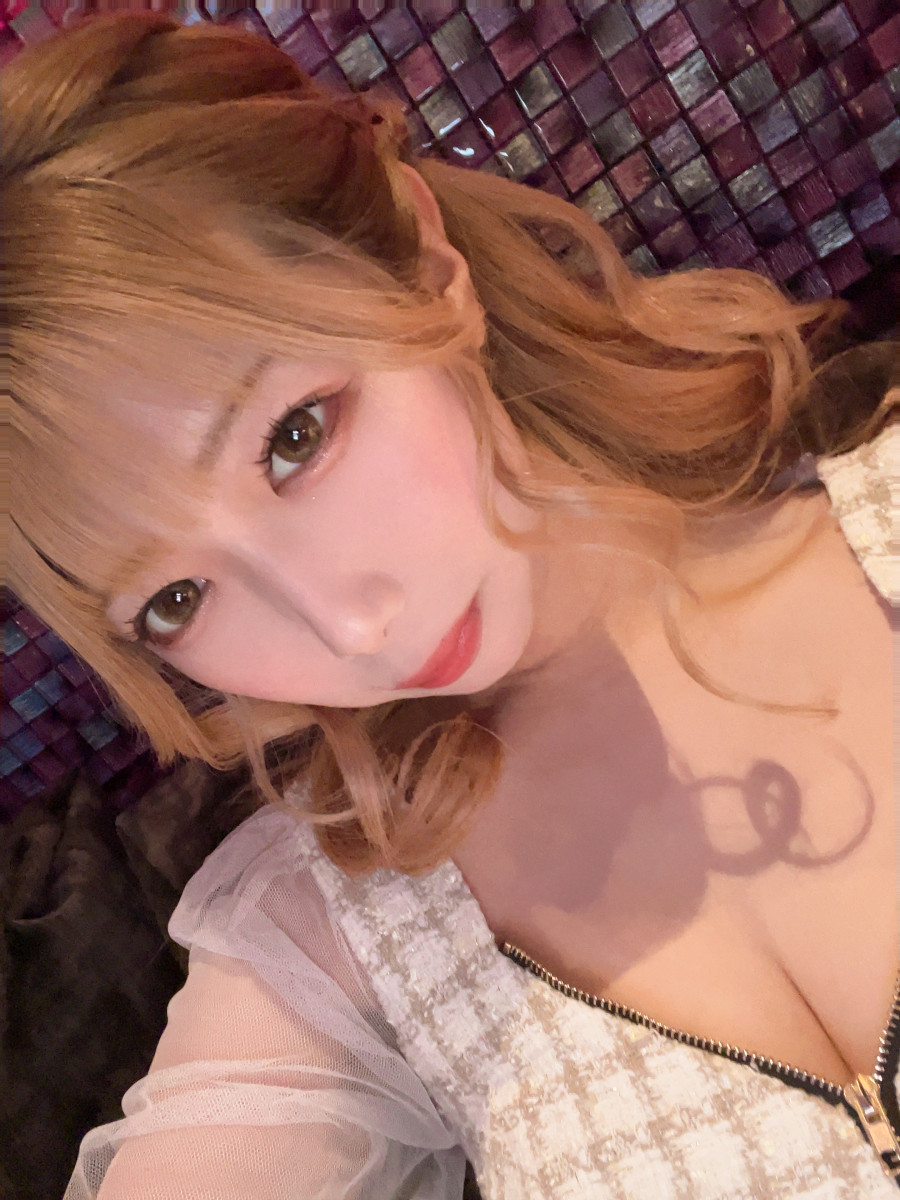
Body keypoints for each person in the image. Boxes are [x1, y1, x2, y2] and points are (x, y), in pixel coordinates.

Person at [5, 11, 897, 1199]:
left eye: (297, 438)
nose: (349, 628)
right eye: (176, 598)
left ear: (424, 259)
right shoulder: (337, 942)